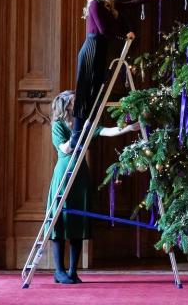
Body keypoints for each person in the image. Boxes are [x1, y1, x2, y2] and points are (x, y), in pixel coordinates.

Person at [47, 90, 139, 284]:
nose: (79, 104)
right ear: (67, 105)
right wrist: (78, 132)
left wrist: (129, 128)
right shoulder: (58, 125)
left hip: (80, 176)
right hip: (64, 175)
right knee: (61, 221)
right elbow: (64, 148)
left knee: (78, 222)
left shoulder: (84, 124)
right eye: (74, 101)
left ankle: (73, 270)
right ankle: (59, 271)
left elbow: (106, 131)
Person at [70, 0, 168, 151]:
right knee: (85, 91)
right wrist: (125, 35)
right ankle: (76, 135)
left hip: (100, 51)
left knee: (96, 93)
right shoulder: (95, 5)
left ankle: (84, 133)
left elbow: (130, 5)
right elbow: (104, 30)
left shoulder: (108, 5)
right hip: (91, 50)